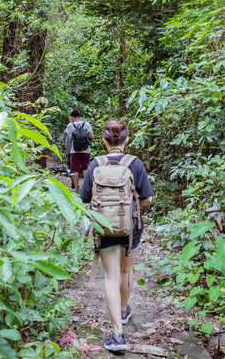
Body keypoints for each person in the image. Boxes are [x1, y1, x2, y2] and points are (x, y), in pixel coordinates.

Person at [80, 119, 153, 352]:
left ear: (103, 140)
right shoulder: (135, 163)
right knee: (126, 270)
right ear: (126, 139)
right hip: (131, 227)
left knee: (110, 276)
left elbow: (84, 199)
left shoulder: (95, 164)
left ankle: (117, 334)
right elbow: (148, 198)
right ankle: (122, 311)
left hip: (103, 227)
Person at [64, 109, 94, 191]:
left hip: (75, 150)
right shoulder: (86, 124)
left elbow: (68, 136)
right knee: (85, 168)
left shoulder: (70, 126)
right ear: (78, 116)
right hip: (85, 150)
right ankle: (86, 188)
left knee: (75, 169)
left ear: (71, 117)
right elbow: (92, 136)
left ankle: (76, 188)